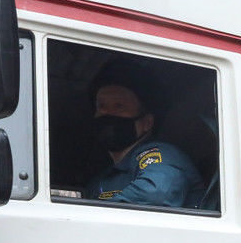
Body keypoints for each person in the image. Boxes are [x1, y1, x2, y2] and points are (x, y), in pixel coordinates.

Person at [86, 63, 202, 208]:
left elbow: (158, 193)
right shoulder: (101, 180)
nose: (107, 114)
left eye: (119, 106)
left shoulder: (162, 155)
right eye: (101, 107)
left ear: (147, 122)